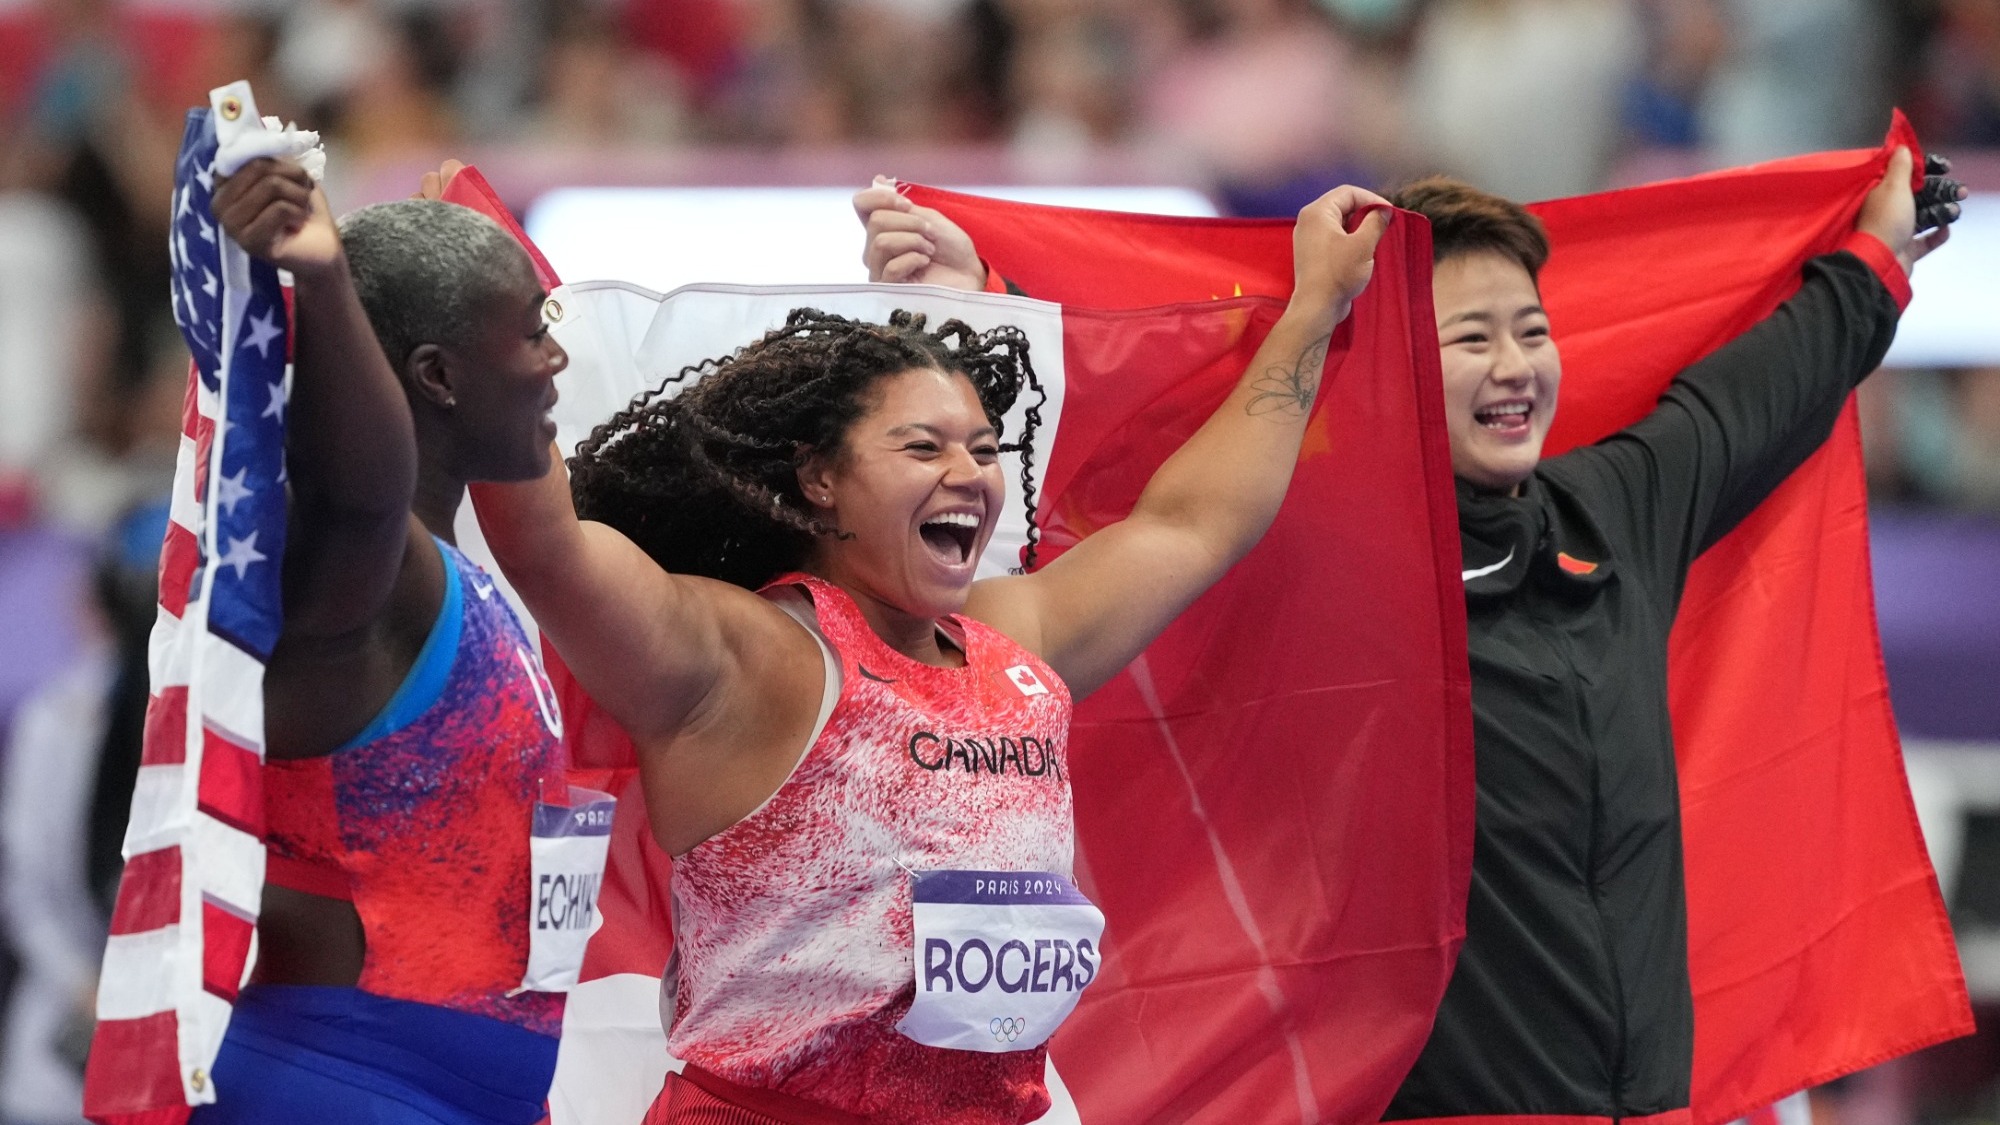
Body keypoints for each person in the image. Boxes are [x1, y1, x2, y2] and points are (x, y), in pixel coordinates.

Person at [853, 149, 1962, 1124]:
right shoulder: (1319, 536)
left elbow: (1763, 390)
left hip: (1649, 1102)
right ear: (1390, 358)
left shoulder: (1611, 512)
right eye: (1469, 338)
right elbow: (1132, 438)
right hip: (1432, 1106)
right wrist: (980, 306)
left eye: (1530, 331)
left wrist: (1874, 256)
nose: (1514, 366)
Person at [468, 185, 1390, 1123]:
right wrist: (481, 335)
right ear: (819, 479)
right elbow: (551, 547)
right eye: (924, 446)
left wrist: (1317, 306)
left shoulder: (1013, 646)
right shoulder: (752, 658)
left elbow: (1195, 521)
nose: (970, 473)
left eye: (984, 447)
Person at [193, 156, 574, 1125]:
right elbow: (359, 490)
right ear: (438, 376)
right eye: (534, 333)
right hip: (339, 1085)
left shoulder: (462, 577)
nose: (554, 361)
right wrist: (321, 282)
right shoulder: (353, 574)